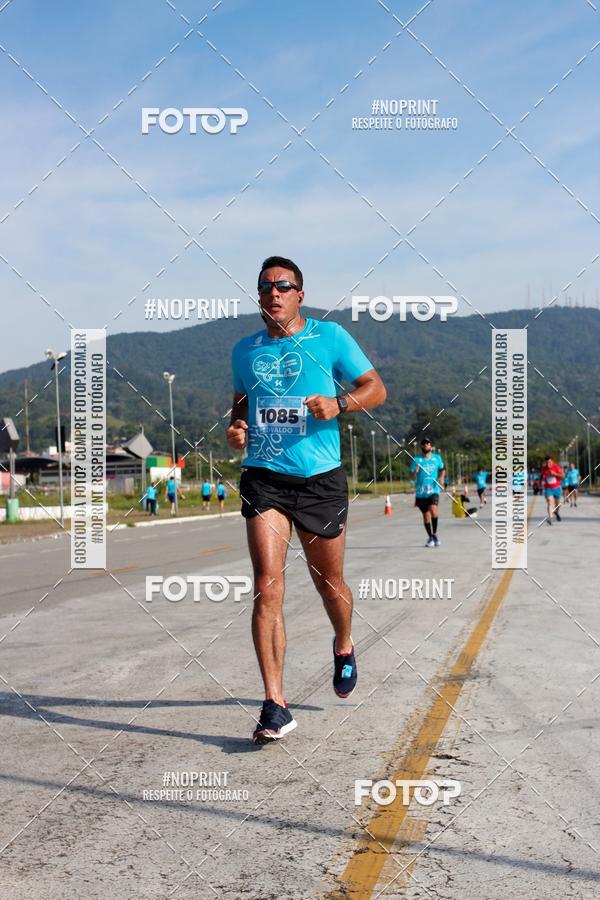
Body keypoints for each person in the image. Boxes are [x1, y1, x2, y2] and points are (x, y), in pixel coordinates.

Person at [227, 255, 386, 743]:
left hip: (319, 478)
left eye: (283, 285)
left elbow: (375, 388)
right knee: (266, 584)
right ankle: (275, 704)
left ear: (300, 293)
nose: (273, 292)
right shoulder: (243, 351)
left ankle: (343, 642)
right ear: (259, 296)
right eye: (265, 286)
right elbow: (240, 405)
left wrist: (339, 403)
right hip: (264, 477)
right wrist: (235, 428)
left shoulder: (330, 337)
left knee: (329, 582)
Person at [410, 438, 445, 547]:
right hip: (421, 493)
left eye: (427, 443)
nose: (426, 445)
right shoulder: (416, 460)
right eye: (424, 443)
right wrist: (415, 473)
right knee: (426, 516)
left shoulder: (437, 458)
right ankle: (430, 537)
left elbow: (442, 469)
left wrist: (441, 478)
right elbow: (411, 476)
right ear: (422, 446)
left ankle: (435, 533)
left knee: (433, 510)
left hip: (433, 490)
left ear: (431, 446)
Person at [540, 455, 563, 525]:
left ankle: (556, 512)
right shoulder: (544, 469)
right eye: (547, 463)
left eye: (549, 462)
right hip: (548, 488)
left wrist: (555, 474)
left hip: (557, 488)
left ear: (552, 461)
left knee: (558, 504)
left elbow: (563, 476)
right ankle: (550, 518)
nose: (548, 464)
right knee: (550, 502)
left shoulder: (556, 467)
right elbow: (541, 477)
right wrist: (540, 483)